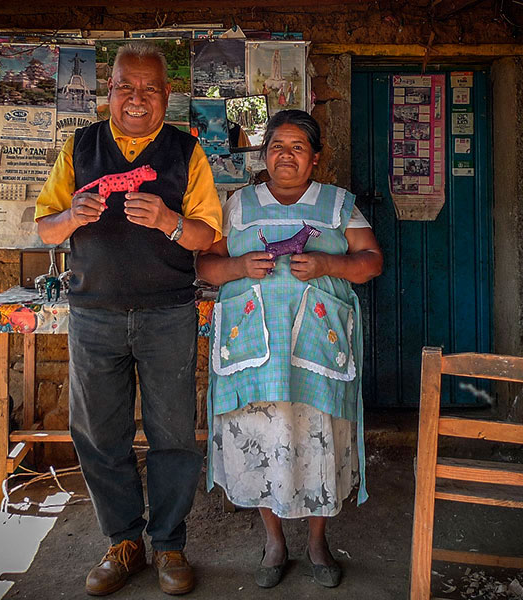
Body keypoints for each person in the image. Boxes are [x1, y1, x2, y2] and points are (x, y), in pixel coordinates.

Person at [35, 41, 222, 597]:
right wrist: (71, 216)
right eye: (125, 87)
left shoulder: (187, 153)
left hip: (168, 312)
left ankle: (168, 544)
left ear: (167, 95)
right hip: (93, 313)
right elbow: (44, 228)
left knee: (172, 435)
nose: (136, 99)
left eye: (149, 89)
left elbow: (207, 235)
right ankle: (123, 542)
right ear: (108, 92)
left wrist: (168, 220)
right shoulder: (80, 148)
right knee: (97, 432)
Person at [195, 110, 383, 589]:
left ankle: (317, 540)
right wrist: (238, 269)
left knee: (319, 442)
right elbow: (206, 267)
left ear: (315, 158)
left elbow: (371, 262)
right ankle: (274, 538)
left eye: (298, 147)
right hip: (256, 355)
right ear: (265, 154)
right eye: (277, 146)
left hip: (317, 355)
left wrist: (327, 262)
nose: (286, 155)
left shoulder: (339, 206)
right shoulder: (238, 207)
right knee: (261, 438)